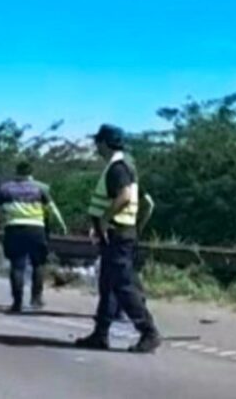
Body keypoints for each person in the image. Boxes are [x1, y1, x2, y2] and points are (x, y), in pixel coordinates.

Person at [76, 124, 162, 354]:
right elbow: (144, 203)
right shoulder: (123, 165)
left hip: (117, 233)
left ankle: (148, 332)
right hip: (119, 233)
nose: (95, 146)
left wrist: (104, 220)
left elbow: (124, 197)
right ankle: (100, 334)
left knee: (124, 286)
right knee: (108, 285)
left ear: (105, 143)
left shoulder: (117, 168)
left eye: (97, 142)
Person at [0, 161, 68, 313]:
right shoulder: (41, 187)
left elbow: (0, 206)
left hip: (14, 227)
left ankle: (17, 303)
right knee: (38, 264)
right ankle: (36, 298)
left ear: (16, 171)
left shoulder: (5, 188)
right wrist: (62, 224)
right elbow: (52, 208)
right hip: (36, 229)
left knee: (17, 266)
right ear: (31, 172)